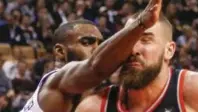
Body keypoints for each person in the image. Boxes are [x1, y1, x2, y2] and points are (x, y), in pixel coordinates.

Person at [75, 5, 198, 112]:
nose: (133, 49)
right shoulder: (93, 107)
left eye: (146, 40)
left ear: (169, 50)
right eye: (128, 41)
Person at [20, 0, 162, 111]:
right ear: (60, 52)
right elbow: (95, 67)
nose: (96, 48)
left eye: (100, 43)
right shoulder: (56, 80)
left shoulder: (87, 96)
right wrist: (141, 22)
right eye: (86, 42)